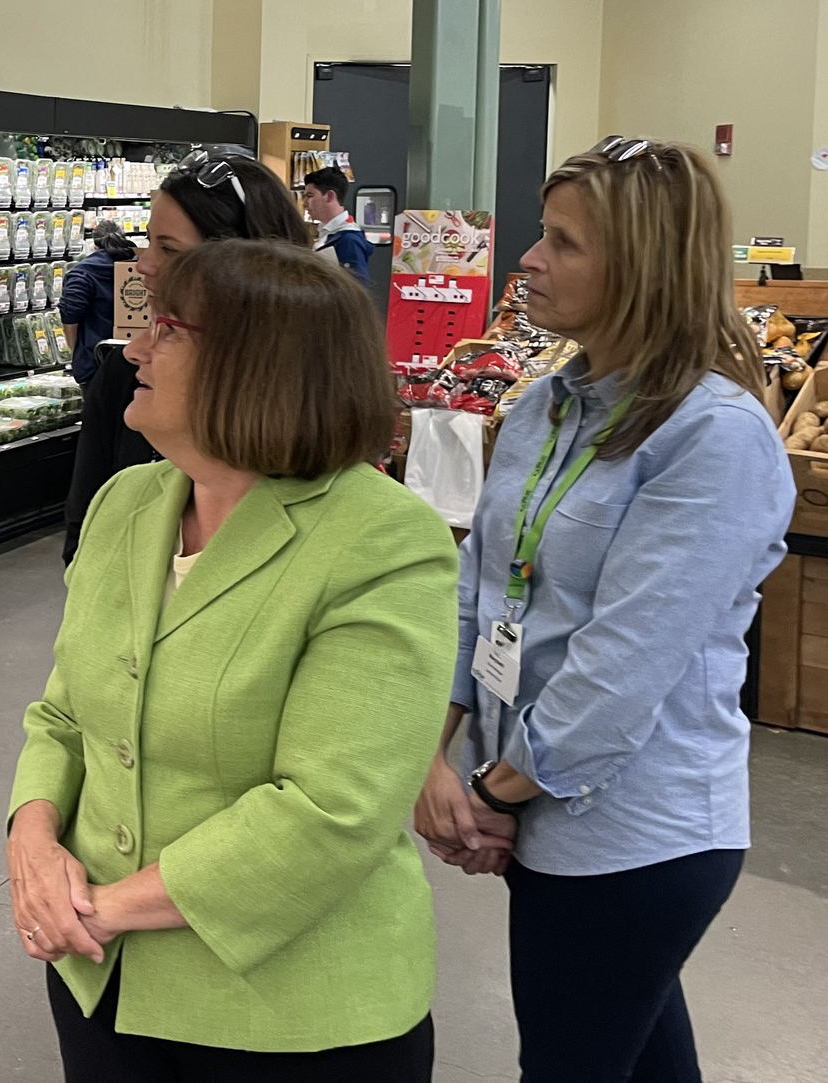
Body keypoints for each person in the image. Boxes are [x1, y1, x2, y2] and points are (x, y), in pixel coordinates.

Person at [11, 238, 458, 1082]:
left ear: (257, 366)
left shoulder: (384, 539)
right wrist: (31, 845)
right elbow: (62, 713)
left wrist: (101, 907)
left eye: (167, 329)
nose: (133, 347)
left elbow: (331, 808)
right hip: (98, 985)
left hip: (290, 1020)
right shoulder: (126, 502)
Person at [412, 137, 794, 1083]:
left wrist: (492, 797)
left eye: (562, 243)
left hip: (635, 831)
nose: (527, 261)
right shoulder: (541, 407)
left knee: (569, 1058)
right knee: (636, 1052)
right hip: (529, 797)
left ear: (644, 267)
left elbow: (622, 665)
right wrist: (434, 750)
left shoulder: (715, 437)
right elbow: (478, 589)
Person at [61, 147, 309, 564]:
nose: (144, 265)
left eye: (171, 250)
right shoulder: (128, 375)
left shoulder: (309, 389)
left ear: (250, 264)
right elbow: (84, 530)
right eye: (148, 242)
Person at [59, 219, 140, 386]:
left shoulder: (82, 272)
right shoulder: (140, 265)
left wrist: (77, 353)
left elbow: (70, 317)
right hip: (137, 359)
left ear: (94, 244)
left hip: (96, 362)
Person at [302, 166, 373, 282]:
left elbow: (357, 288)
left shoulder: (349, 239)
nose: (305, 203)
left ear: (330, 196)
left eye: (310, 196)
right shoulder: (328, 233)